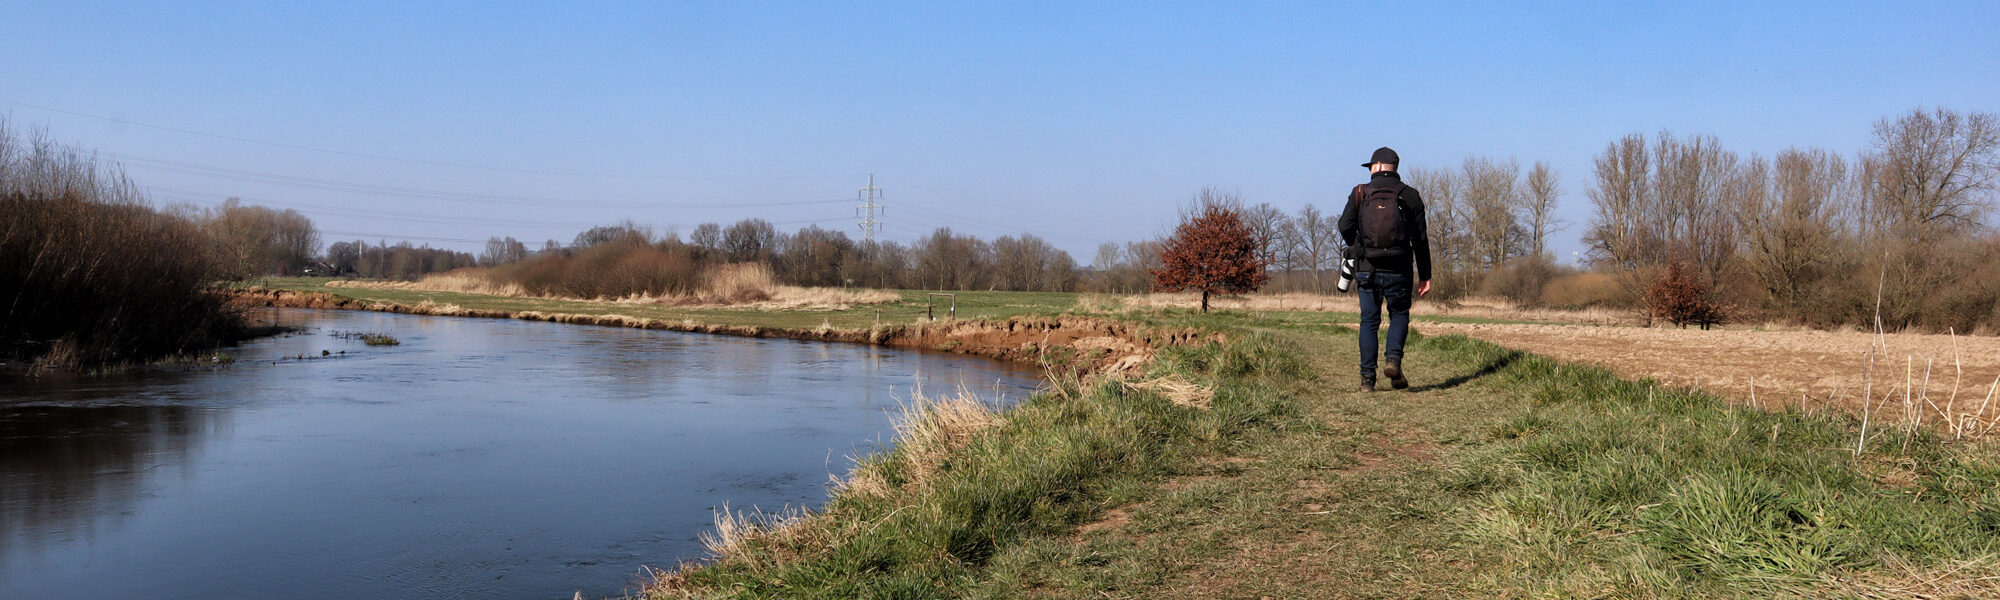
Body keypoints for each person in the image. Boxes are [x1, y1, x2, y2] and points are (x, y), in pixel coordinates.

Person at [1337, 147, 1432, 392]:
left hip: (1367, 266)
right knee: (1399, 315)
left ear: (1378, 166)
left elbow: (1344, 225)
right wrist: (1425, 275)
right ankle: (1393, 361)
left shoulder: (1360, 193)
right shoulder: (1410, 195)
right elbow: (1421, 240)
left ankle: (1367, 380)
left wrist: (1357, 245)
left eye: (1370, 166)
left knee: (1369, 321)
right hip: (1400, 268)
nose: (1369, 170)